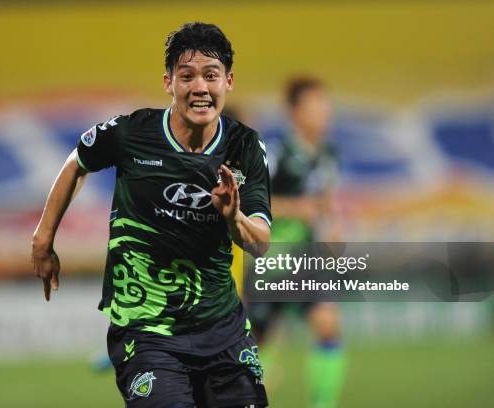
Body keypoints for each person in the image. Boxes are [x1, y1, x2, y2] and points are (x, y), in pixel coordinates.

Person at [31, 22, 271, 408]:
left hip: (222, 330)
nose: (200, 88)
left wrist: (234, 218)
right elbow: (78, 161)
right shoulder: (131, 134)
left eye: (211, 76)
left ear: (228, 81)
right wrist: (43, 239)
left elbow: (259, 243)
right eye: (186, 76)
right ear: (168, 82)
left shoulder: (244, 147)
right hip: (147, 331)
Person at [247, 77, 345, 408]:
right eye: (315, 106)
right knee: (257, 343)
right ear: (295, 113)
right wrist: (295, 208)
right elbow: (251, 201)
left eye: (325, 105)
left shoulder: (328, 153)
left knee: (328, 325)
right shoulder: (276, 155)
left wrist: (330, 228)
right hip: (271, 261)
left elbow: (325, 202)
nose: (323, 113)